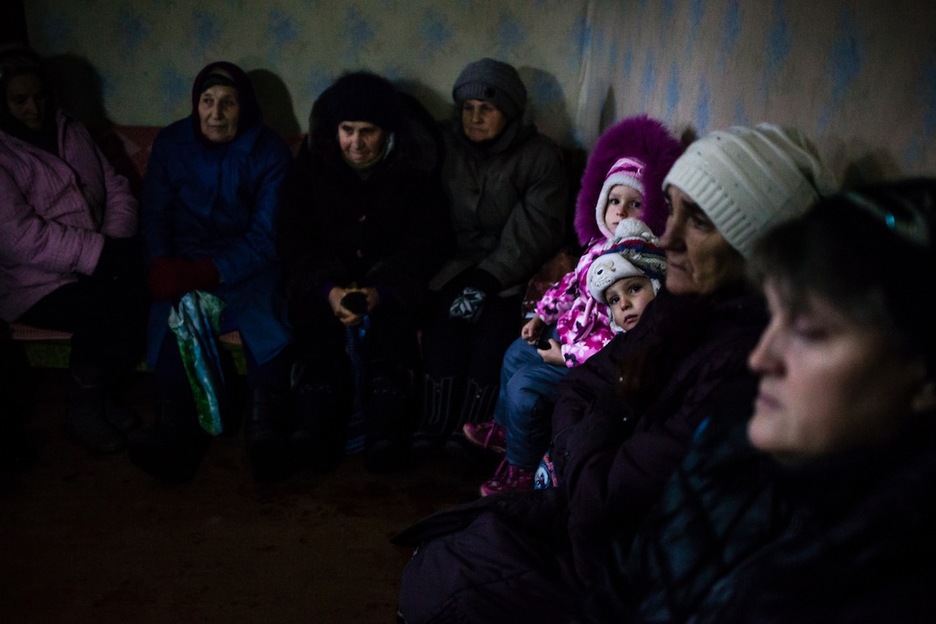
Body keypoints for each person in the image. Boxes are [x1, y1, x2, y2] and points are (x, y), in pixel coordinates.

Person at [394, 123, 838, 623]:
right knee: (438, 554)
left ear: (756, 245)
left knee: (443, 590)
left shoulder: (746, 365)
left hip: (629, 570)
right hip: (588, 521)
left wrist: (592, 428)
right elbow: (584, 384)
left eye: (699, 222)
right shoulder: (680, 306)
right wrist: (599, 426)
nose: (664, 238)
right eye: (671, 208)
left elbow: (601, 494)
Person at [579, 178, 936, 623]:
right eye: (774, 315)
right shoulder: (729, 441)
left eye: (809, 332)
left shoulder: (900, 589)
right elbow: (623, 588)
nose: (761, 357)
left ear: (923, 377)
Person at [459, 115, 682, 495]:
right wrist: (541, 315)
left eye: (635, 204)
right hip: (569, 333)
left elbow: (618, 336)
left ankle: (520, 469)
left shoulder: (642, 262)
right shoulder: (596, 248)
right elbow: (568, 287)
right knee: (515, 352)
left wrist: (567, 356)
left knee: (526, 389)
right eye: (614, 201)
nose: (621, 212)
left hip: (586, 358)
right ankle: (501, 428)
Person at [276, 71, 451, 475]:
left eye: (367, 131)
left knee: (393, 340)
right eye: (347, 130)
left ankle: (386, 435)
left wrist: (381, 289)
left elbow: (428, 242)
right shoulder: (311, 168)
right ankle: (312, 431)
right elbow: (292, 237)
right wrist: (328, 290)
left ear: (387, 132)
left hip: (389, 282)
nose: (356, 143)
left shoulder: (413, 173)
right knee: (315, 337)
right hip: (326, 281)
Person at [128, 61, 293, 484]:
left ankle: (265, 435)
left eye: (228, 103)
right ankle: (175, 435)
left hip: (247, 264)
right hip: (182, 260)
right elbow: (154, 215)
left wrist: (209, 270)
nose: (215, 113)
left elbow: (266, 235)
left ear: (245, 107)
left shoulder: (269, 151)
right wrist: (161, 264)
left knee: (267, 320)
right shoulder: (172, 143)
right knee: (168, 319)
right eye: (207, 101)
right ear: (195, 104)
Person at [415, 58, 570, 454]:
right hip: (451, 266)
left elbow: (537, 228)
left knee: (492, 332)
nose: (475, 117)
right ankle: (433, 422)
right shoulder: (443, 144)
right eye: (467, 108)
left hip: (510, 274)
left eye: (487, 108)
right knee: (444, 323)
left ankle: (470, 430)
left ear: (510, 111)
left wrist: (488, 279)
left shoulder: (538, 157)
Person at [0, 44, 143, 454]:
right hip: (34, 282)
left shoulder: (70, 129)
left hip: (94, 258)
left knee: (136, 288)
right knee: (101, 303)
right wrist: (98, 254)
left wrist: (114, 242)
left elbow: (115, 185)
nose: (33, 108)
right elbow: (18, 234)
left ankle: (101, 399)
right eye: (20, 100)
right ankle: (81, 411)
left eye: (39, 96)